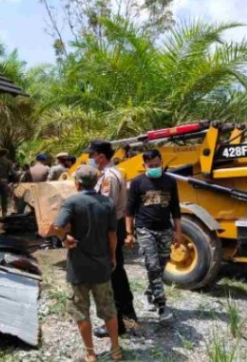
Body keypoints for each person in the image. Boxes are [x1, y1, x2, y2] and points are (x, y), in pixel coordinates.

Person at [53, 165, 122, 362]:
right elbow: (112, 235)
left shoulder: (72, 202)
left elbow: (57, 226)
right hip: (101, 266)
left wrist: (65, 238)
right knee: (109, 309)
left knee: (81, 312)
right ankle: (115, 349)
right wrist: (113, 256)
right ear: (96, 182)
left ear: (77, 183)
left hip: (78, 268)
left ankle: (90, 352)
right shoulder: (107, 203)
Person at [88, 140, 138, 338]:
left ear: (100, 156)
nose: (91, 159)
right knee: (118, 272)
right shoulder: (116, 172)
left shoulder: (108, 176)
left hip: (109, 228)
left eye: (92, 155)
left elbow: (105, 207)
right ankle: (128, 312)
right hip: (115, 226)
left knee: (109, 275)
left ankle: (116, 324)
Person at [126, 149, 182, 322]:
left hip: (165, 229)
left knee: (161, 265)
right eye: (151, 166)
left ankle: (149, 293)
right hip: (145, 229)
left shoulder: (170, 182)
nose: (155, 168)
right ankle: (162, 306)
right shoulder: (137, 183)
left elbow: (175, 208)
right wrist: (129, 233)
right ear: (144, 166)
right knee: (152, 265)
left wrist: (178, 231)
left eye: (157, 165)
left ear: (162, 162)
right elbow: (130, 210)